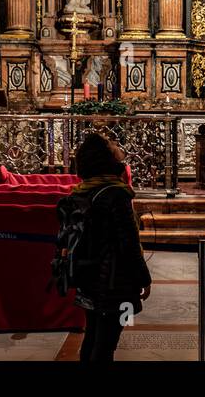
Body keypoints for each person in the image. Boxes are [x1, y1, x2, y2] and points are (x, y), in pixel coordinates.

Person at [57, 134, 152, 362]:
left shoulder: (82, 191)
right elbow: (128, 243)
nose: (118, 147)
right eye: (112, 146)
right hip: (113, 281)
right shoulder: (116, 194)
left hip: (87, 276)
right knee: (107, 343)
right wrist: (143, 278)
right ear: (106, 158)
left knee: (93, 335)